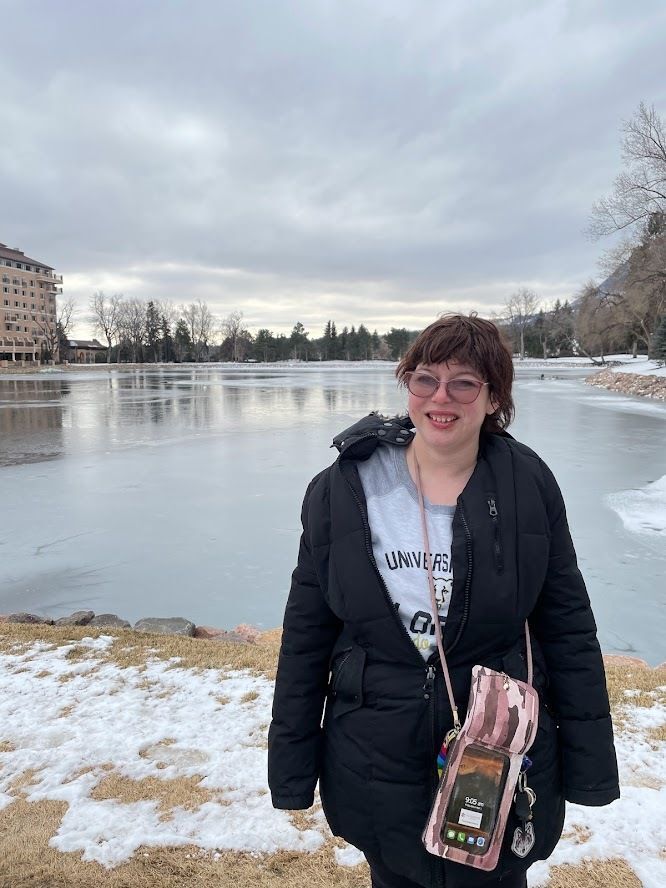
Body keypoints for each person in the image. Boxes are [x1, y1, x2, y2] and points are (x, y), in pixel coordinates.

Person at [268, 313, 619, 888]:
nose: (441, 397)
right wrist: (291, 766)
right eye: (424, 379)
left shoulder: (527, 485)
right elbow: (306, 632)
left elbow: (568, 626)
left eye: (464, 382)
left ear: (493, 398)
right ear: (406, 385)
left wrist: (591, 770)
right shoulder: (343, 488)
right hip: (376, 753)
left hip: (498, 749)